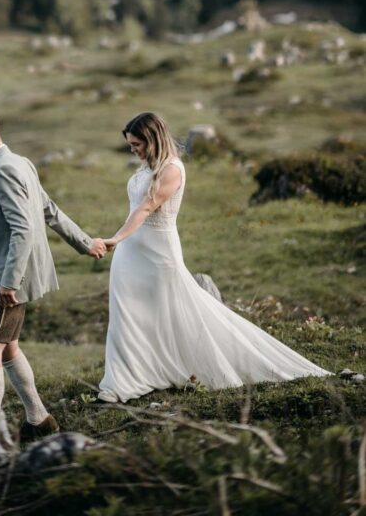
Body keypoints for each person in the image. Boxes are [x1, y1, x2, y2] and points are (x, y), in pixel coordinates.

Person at [98, 111, 332, 403]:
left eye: (137, 144)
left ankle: (184, 366)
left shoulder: (172, 169)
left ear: (153, 139)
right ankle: (122, 382)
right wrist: (122, 243)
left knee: (179, 311)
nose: (134, 150)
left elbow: (146, 208)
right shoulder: (146, 167)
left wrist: (115, 238)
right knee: (126, 314)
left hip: (158, 253)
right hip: (130, 254)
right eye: (131, 145)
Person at [0, 107, 107, 439]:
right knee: (8, 348)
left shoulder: (4, 170)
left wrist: (9, 281)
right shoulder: (21, 162)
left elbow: (23, 228)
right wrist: (84, 243)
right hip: (18, 277)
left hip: (11, 281)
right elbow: (49, 209)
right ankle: (39, 420)